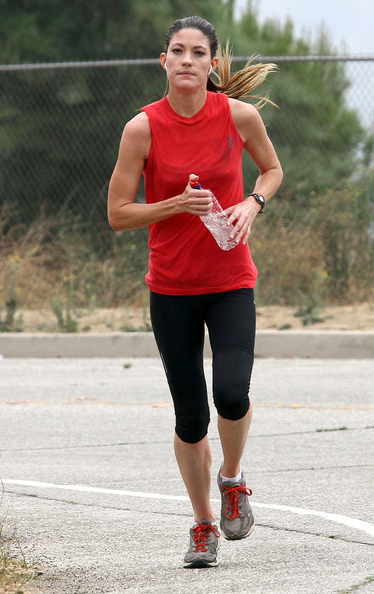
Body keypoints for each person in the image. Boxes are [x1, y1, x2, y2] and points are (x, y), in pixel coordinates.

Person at [108, 15, 283, 568]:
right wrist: (175, 205)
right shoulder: (142, 128)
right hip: (172, 289)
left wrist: (253, 203)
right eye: (178, 51)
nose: (188, 60)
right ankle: (203, 524)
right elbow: (118, 214)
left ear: (210, 63)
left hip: (231, 282)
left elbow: (272, 170)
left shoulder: (238, 116)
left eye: (198, 52)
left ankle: (232, 479)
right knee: (191, 418)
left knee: (231, 392)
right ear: (164, 61)